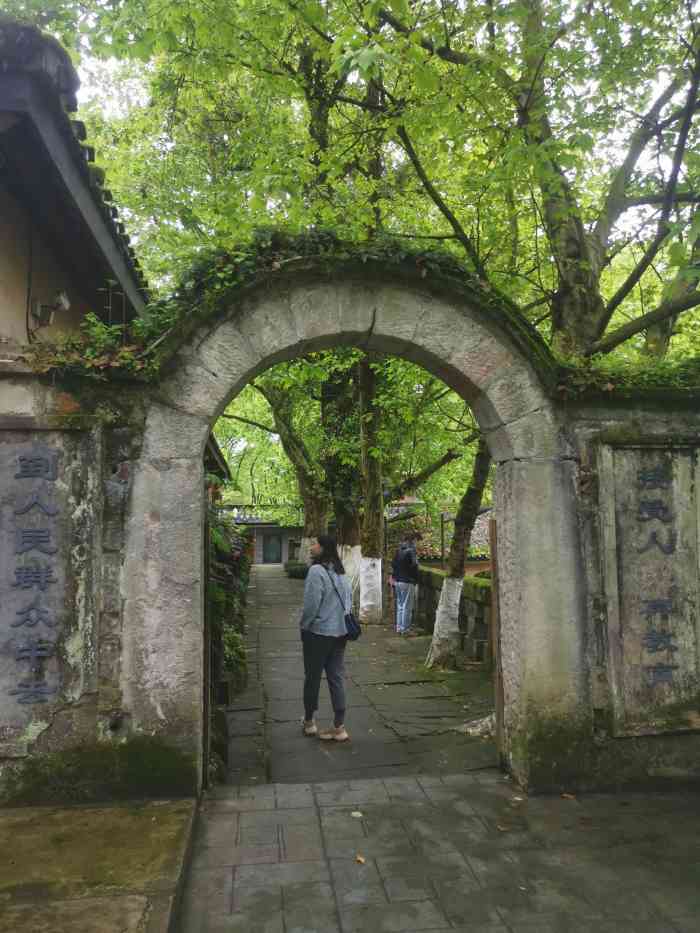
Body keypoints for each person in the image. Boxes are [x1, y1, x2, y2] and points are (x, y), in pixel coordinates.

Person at [300, 534, 353, 741]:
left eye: (315, 544)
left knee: (312, 677)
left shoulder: (316, 571)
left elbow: (311, 606)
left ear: (323, 548)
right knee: (336, 677)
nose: (311, 547)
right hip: (340, 633)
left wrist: (304, 626)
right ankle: (339, 726)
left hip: (319, 633)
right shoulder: (341, 572)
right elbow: (348, 603)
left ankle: (309, 722)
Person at [391, 532, 420, 635]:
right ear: (413, 539)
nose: (417, 543)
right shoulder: (411, 550)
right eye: (417, 540)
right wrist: (416, 579)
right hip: (408, 581)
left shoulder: (398, 550)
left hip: (397, 581)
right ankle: (405, 629)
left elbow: (393, 564)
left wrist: (394, 577)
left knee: (400, 605)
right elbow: (414, 566)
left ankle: (399, 628)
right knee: (407, 606)